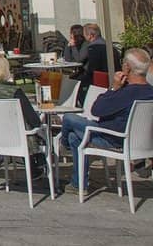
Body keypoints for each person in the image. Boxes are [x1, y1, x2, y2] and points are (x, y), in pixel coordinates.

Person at [61, 48, 153, 193]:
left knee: (69, 118)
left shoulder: (125, 93)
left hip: (112, 138)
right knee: (75, 137)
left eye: (123, 63)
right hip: (142, 142)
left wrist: (113, 88)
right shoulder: (150, 92)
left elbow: (96, 110)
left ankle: (63, 146)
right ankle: (77, 184)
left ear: (127, 67)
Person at [0, 54, 46, 172]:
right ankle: (40, 167)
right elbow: (33, 120)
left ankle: (36, 167)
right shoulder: (13, 91)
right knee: (37, 129)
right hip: (14, 140)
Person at [78, 23, 120, 103]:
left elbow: (92, 69)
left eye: (84, 36)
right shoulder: (111, 47)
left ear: (90, 35)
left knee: (79, 83)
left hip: (99, 81)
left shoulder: (94, 48)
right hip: (114, 79)